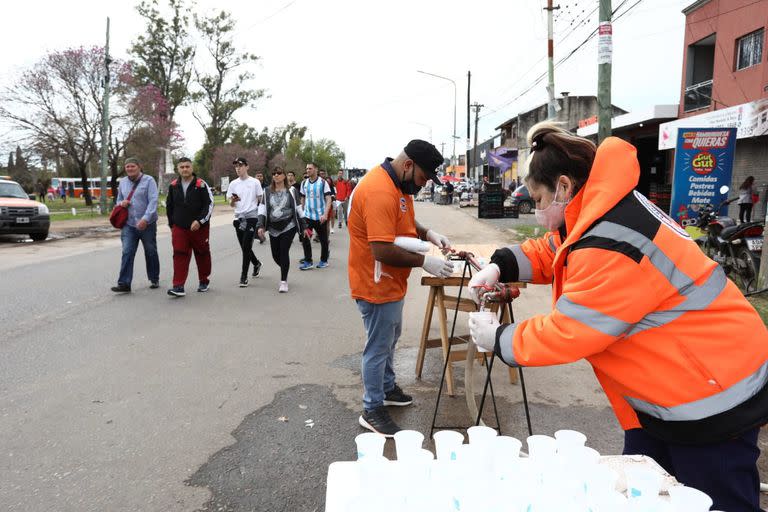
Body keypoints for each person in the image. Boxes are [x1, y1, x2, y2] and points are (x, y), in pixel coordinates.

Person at [467, 122, 768, 512]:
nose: (537, 210)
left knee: (714, 502)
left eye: (539, 199)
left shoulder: (613, 240)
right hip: (665, 391)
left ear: (563, 186)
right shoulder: (602, 211)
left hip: (711, 394)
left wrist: (500, 339)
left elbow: (571, 331)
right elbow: (555, 249)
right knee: (641, 492)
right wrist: (500, 265)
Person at [349, 139, 455, 436]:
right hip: (375, 283)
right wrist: (425, 263)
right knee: (378, 346)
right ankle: (372, 409)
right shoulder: (379, 190)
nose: (422, 185)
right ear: (408, 165)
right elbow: (381, 249)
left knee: (389, 337)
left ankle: (386, 387)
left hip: (391, 283)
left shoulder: (399, 185)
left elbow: (405, 220)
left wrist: (429, 233)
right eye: (422, 178)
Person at [166, 157, 214, 297]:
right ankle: (178, 286)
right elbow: (170, 207)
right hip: (179, 228)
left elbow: (209, 205)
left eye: (187, 166)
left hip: (200, 229)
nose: (185, 169)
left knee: (202, 254)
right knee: (179, 254)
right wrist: (172, 225)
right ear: (178, 169)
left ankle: (204, 280)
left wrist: (200, 221)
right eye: (182, 167)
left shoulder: (201, 185)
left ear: (192, 168)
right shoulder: (173, 185)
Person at [111, 157, 160, 293]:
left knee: (150, 251)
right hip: (129, 224)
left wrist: (145, 218)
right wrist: (122, 203)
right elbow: (119, 199)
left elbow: (153, 201)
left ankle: (154, 278)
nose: (130, 169)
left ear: (139, 167)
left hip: (147, 224)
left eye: (132, 166)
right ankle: (124, 284)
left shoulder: (149, 180)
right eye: (127, 167)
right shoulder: (123, 182)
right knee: (127, 252)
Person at [257, 166, 304, 293]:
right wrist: (260, 225)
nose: (276, 175)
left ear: (284, 176)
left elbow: (298, 208)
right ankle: (285, 266)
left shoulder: (292, 190)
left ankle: (283, 281)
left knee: (284, 252)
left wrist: (304, 225)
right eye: (274, 173)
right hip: (273, 227)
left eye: (279, 173)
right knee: (275, 254)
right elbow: (261, 209)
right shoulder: (266, 191)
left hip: (289, 226)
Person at [226, 157, 263, 287]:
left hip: (252, 217)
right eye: (236, 166)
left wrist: (261, 218)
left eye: (240, 165)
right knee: (244, 247)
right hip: (238, 218)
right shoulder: (233, 184)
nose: (238, 168)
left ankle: (243, 277)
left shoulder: (255, 182)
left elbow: (260, 199)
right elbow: (231, 204)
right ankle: (256, 263)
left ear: (247, 167)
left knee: (246, 246)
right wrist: (233, 201)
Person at [299, 162, 332, 270]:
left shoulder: (323, 182)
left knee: (323, 239)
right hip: (308, 216)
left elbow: (328, 199)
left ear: (316, 169)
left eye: (310, 168)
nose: (308, 170)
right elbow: (303, 198)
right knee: (305, 237)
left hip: (320, 217)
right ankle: (308, 261)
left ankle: (324, 260)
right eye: (307, 168)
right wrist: (302, 213)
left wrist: (325, 214)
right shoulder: (304, 183)